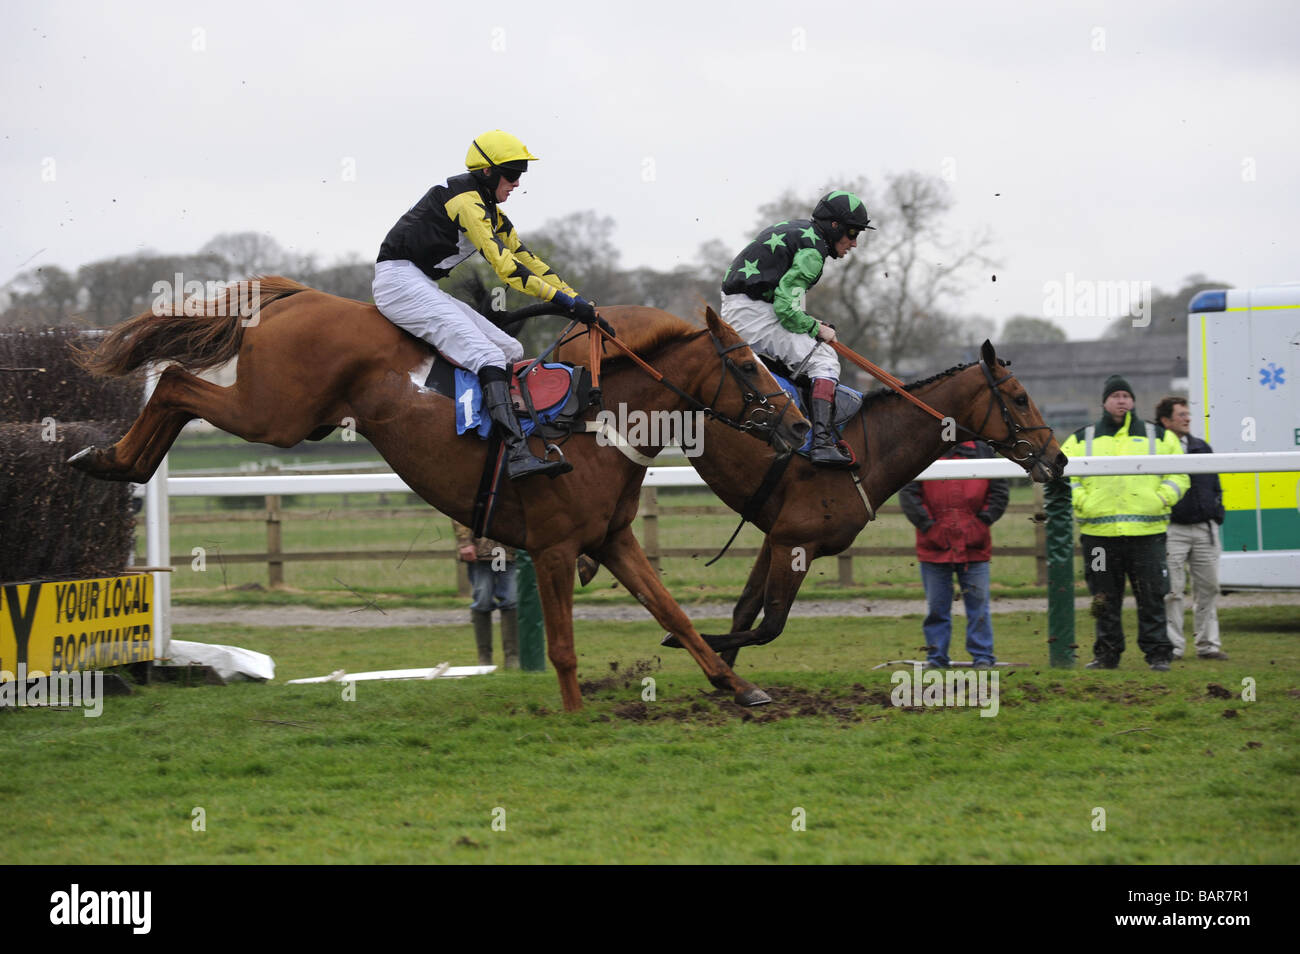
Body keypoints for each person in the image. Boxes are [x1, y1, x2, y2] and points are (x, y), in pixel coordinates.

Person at [373, 130, 600, 480]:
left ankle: (496, 432)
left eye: (521, 174)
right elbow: (508, 270)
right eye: (512, 174)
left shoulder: (491, 211)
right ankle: (516, 452)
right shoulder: (466, 202)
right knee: (490, 357)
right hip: (399, 282)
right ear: (488, 172)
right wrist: (564, 302)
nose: (517, 183)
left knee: (510, 348)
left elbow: (527, 258)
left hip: (418, 282)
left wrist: (577, 298)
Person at [720, 191, 874, 467]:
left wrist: (811, 324)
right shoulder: (814, 252)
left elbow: (783, 300)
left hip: (745, 308)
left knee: (803, 355)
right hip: (754, 316)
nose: (854, 243)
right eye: (852, 233)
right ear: (834, 226)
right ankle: (822, 443)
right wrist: (816, 328)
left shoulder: (800, 230)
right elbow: (787, 310)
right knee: (824, 360)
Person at [1059, 375, 1189, 671]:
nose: (1121, 400)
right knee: (1103, 599)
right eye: (1115, 395)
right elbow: (1064, 477)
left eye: (1126, 396)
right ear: (1104, 401)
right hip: (1098, 536)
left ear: (1133, 401)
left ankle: (1158, 654)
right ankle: (1106, 655)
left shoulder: (1160, 437)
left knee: (1153, 596)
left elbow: (1181, 474)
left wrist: (1163, 497)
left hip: (1148, 533)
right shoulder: (1082, 438)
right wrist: (1082, 500)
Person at [900, 440, 1009, 669]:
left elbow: (999, 491)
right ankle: (936, 657)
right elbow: (909, 493)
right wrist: (930, 527)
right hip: (934, 547)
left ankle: (982, 657)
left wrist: (981, 524)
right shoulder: (923, 447)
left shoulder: (984, 451)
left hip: (974, 546)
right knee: (937, 608)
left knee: (978, 607)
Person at [1156, 395, 1228, 661]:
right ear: (1165, 420)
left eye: (1188, 414)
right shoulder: (1158, 448)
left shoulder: (1200, 446)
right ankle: (1174, 647)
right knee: (1172, 591)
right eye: (1181, 415)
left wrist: (1216, 512)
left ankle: (1208, 644)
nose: (1187, 419)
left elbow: (1215, 483)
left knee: (1209, 587)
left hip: (1204, 529)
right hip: (1172, 530)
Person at [453, 520, 519, 668]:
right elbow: (461, 512)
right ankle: (484, 657)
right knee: (482, 600)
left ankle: (512, 657)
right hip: (479, 552)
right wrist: (464, 542)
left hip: (508, 551)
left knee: (511, 600)